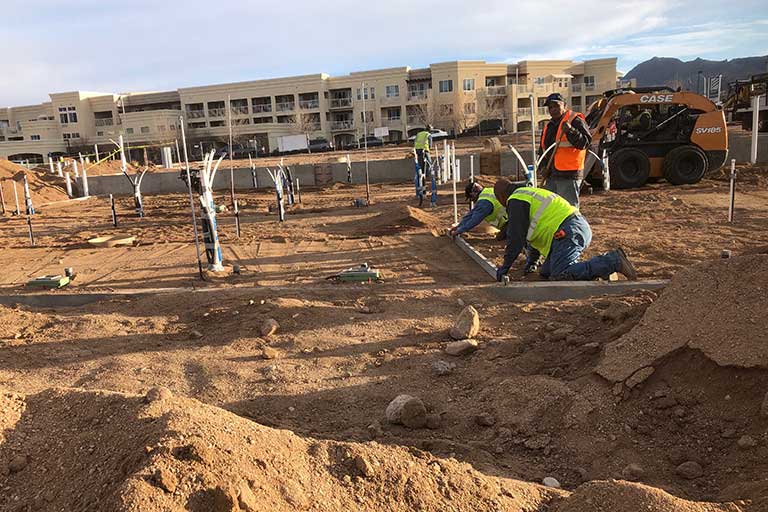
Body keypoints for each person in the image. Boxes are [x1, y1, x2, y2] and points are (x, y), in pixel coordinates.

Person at [492, 179, 638, 282]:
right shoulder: (526, 194)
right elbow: (530, 234)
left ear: (501, 197)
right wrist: (532, 262)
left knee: (560, 273)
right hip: (572, 229)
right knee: (546, 272)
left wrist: (505, 268)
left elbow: (516, 238)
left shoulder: (516, 200)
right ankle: (601, 270)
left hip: (568, 231)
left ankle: (613, 261)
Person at [539, 93, 591, 208]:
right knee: (551, 209)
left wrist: (571, 131)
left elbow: (585, 143)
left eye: (556, 106)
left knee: (568, 209)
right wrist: (543, 167)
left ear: (564, 105)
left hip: (569, 174)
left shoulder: (575, 120)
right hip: (552, 175)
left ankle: (572, 226)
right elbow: (543, 150)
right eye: (550, 107)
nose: (553, 110)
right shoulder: (549, 126)